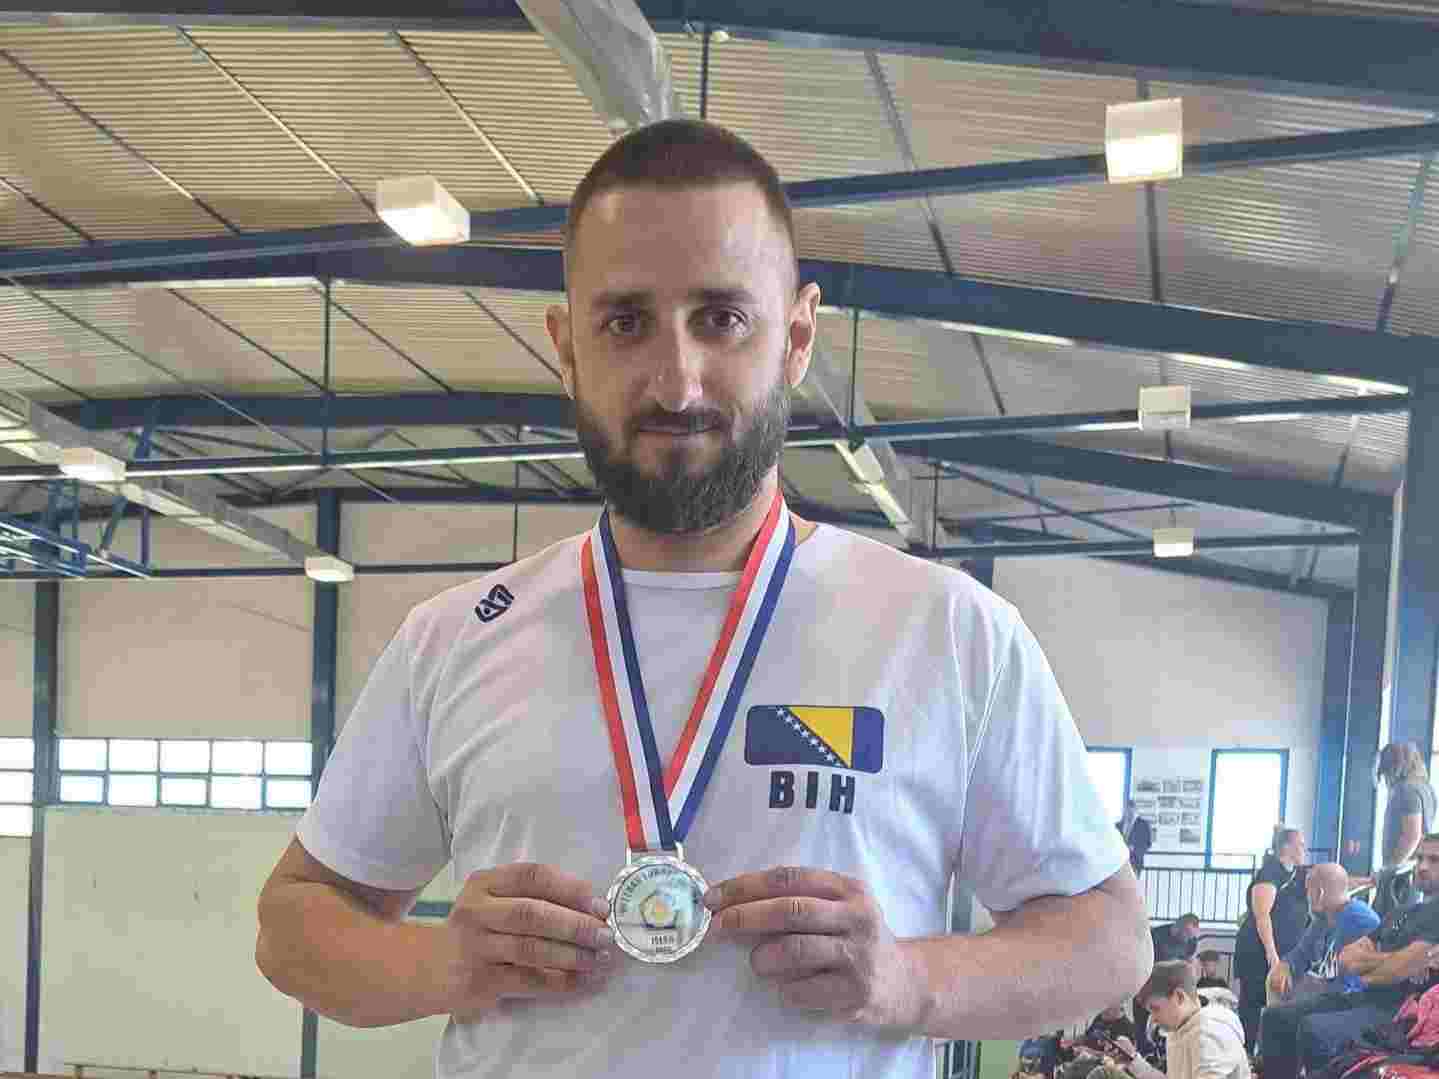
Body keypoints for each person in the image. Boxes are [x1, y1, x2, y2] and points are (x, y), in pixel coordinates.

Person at [253, 119, 1152, 1079]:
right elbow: (293, 923)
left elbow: (1106, 937)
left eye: (720, 319)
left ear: (796, 336)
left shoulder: (945, 630)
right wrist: (438, 962)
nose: (675, 382)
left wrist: (909, 981)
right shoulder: (455, 638)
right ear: (566, 346)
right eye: (624, 322)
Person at [1258, 834, 1439, 1079]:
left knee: (1314, 1029)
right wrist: (1402, 960)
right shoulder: (1401, 912)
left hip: (1398, 1012)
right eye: (1419, 858)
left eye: (1434, 860)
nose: (1423, 866)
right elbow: (1348, 958)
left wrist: (1384, 965)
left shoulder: (1426, 916)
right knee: (1275, 1018)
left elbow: (1391, 971)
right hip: (1364, 997)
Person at [1232, 826, 1310, 1048]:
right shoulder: (1270, 873)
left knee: (1280, 1006)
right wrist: (1272, 954)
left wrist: (1370, 881)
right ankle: (1246, 1052)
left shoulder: (1299, 873)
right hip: (1258, 953)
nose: (1304, 849)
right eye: (1300, 844)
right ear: (1286, 847)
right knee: (1252, 1004)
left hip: (1286, 954)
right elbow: (1262, 915)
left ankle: (1267, 1054)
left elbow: (1337, 880)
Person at [1265, 862, 1379, 1006]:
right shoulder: (1323, 918)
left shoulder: (1360, 921)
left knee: (1281, 1009)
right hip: (1331, 994)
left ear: (1319, 894)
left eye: (1308, 890)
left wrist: (1317, 985)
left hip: (1354, 1003)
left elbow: (1352, 987)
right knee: (1275, 978)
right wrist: (1285, 966)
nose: (1306, 896)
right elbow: (1300, 954)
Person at [1114, 961, 1251, 1079]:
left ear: (1179, 996)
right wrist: (1133, 1061)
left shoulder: (1209, 1034)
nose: (1153, 1019)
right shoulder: (1180, 1029)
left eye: (1156, 1009)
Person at [1135, 916, 1202, 1056]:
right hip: (1150, 983)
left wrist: (1192, 984)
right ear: (1177, 927)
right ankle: (1142, 1051)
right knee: (1142, 1022)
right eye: (1187, 934)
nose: (1188, 939)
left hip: (1174, 989)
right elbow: (1141, 961)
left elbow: (1189, 962)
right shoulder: (1156, 936)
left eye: (1192, 936)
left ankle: (1166, 1053)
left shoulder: (1191, 941)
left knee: (1171, 1025)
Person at [1378, 743, 1437, 869]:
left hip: (1401, 868)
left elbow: (1412, 836)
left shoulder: (1406, 790)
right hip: (1413, 863)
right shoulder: (1426, 788)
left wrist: (1389, 868)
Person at [1121, 800, 1154, 874]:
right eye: (1126, 809)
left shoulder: (1144, 825)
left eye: (1131, 809)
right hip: (1119, 864)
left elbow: (1148, 843)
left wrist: (1135, 849)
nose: (1128, 812)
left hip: (1134, 863)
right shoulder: (1119, 825)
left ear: (1136, 810)